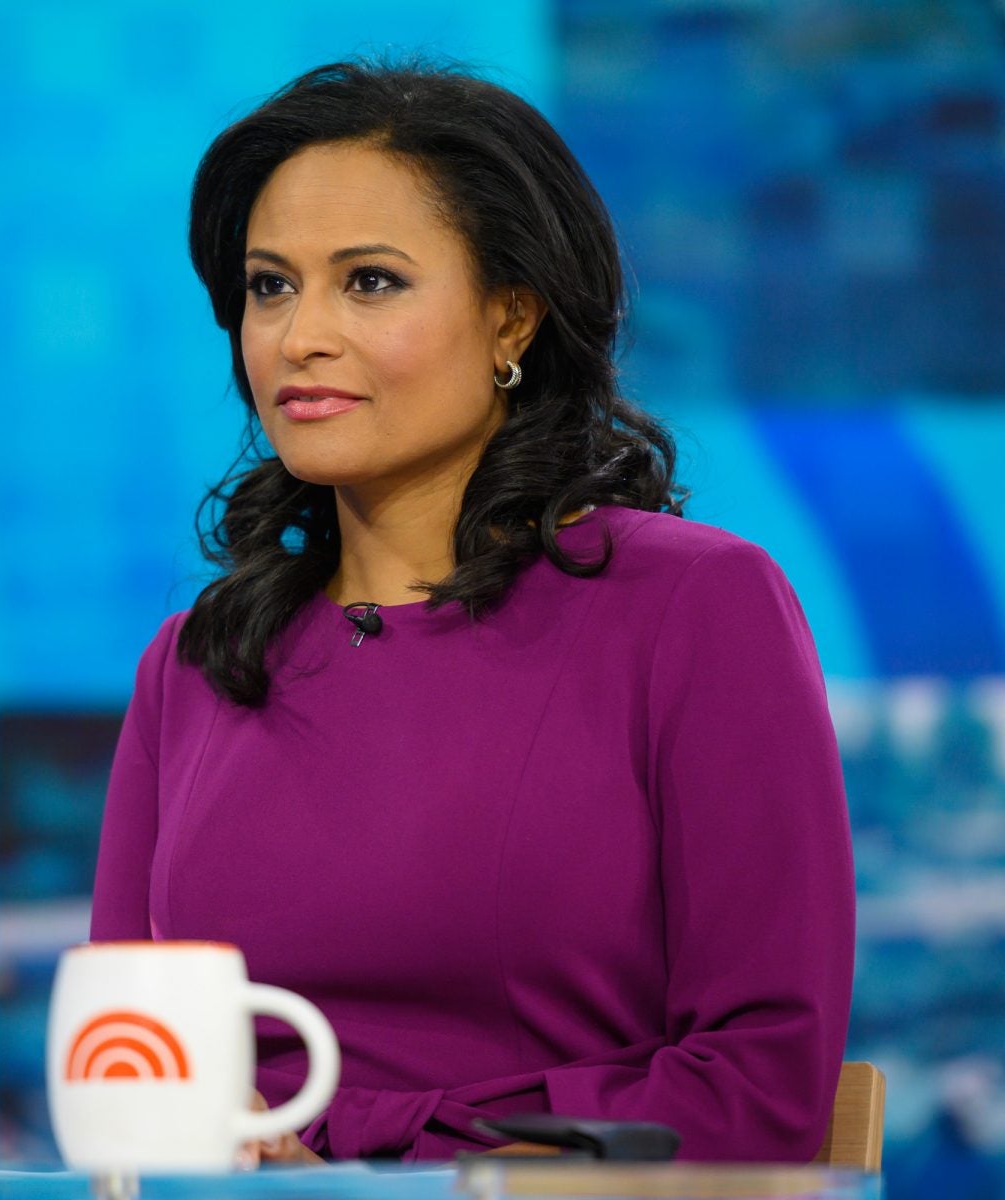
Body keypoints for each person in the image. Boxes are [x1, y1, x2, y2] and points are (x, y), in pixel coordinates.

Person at [90, 59, 856, 1166]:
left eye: (369, 282)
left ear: (511, 317)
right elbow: (131, 1079)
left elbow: (759, 1086)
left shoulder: (694, 608)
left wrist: (367, 1176)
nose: (299, 337)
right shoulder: (197, 663)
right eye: (269, 286)